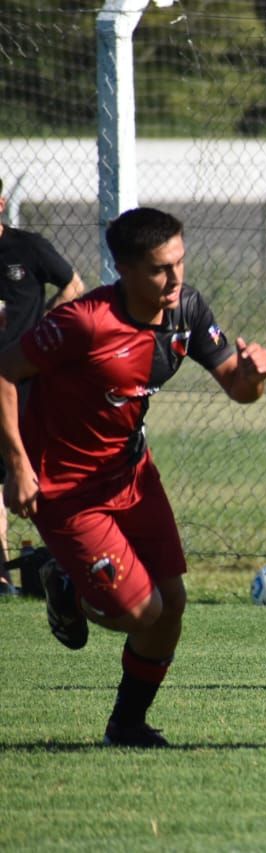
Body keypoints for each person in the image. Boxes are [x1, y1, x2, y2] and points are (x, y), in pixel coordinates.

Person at [0, 207, 266, 747]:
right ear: (122, 269)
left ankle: (127, 725)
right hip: (68, 489)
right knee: (138, 611)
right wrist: (16, 465)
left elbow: (237, 390)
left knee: (171, 605)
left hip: (130, 474)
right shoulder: (83, 321)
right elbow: (5, 373)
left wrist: (253, 377)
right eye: (158, 269)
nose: (174, 279)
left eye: (179, 262)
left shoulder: (186, 309)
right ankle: (61, 580)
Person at [0, 178, 85, 593]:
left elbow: (73, 284)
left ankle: (61, 568)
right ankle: (1, 578)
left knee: (36, 472)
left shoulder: (28, 249)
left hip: (23, 382)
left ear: (0, 203)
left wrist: (44, 328)